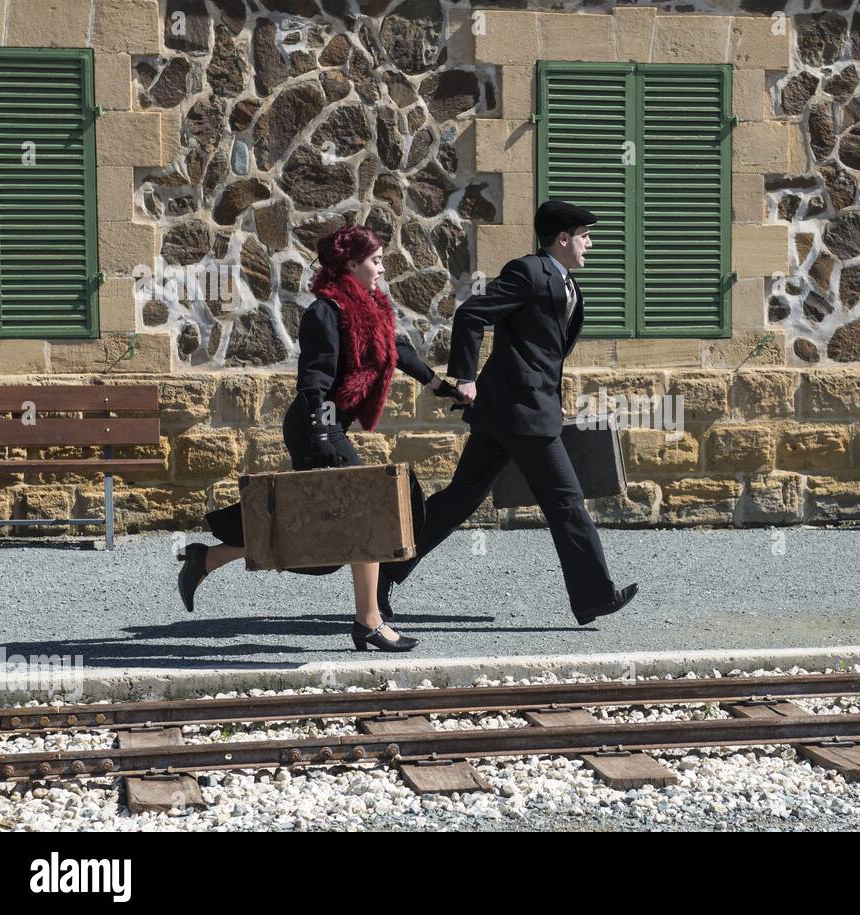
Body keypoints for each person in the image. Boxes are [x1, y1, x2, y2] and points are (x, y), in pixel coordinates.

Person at [176, 224, 467, 652]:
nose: (383, 268)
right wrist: (326, 436)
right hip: (316, 423)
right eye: (376, 260)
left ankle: (208, 558)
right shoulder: (326, 311)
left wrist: (441, 387)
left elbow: (398, 352)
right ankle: (368, 621)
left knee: (314, 523)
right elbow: (313, 382)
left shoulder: (373, 306)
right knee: (369, 508)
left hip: (331, 424)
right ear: (352, 264)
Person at [377, 200, 638, 627]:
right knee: (567, 503)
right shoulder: (529, 272)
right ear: (563, 239)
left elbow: (541, 353)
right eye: (586, 236)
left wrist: (551, 397)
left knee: (458, 500)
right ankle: (594, 596)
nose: (590, 243)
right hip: (521, 415)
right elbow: (471, 314)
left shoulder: (566, 282)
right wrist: (464, 377)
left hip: (516, 411)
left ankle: (384, 573)